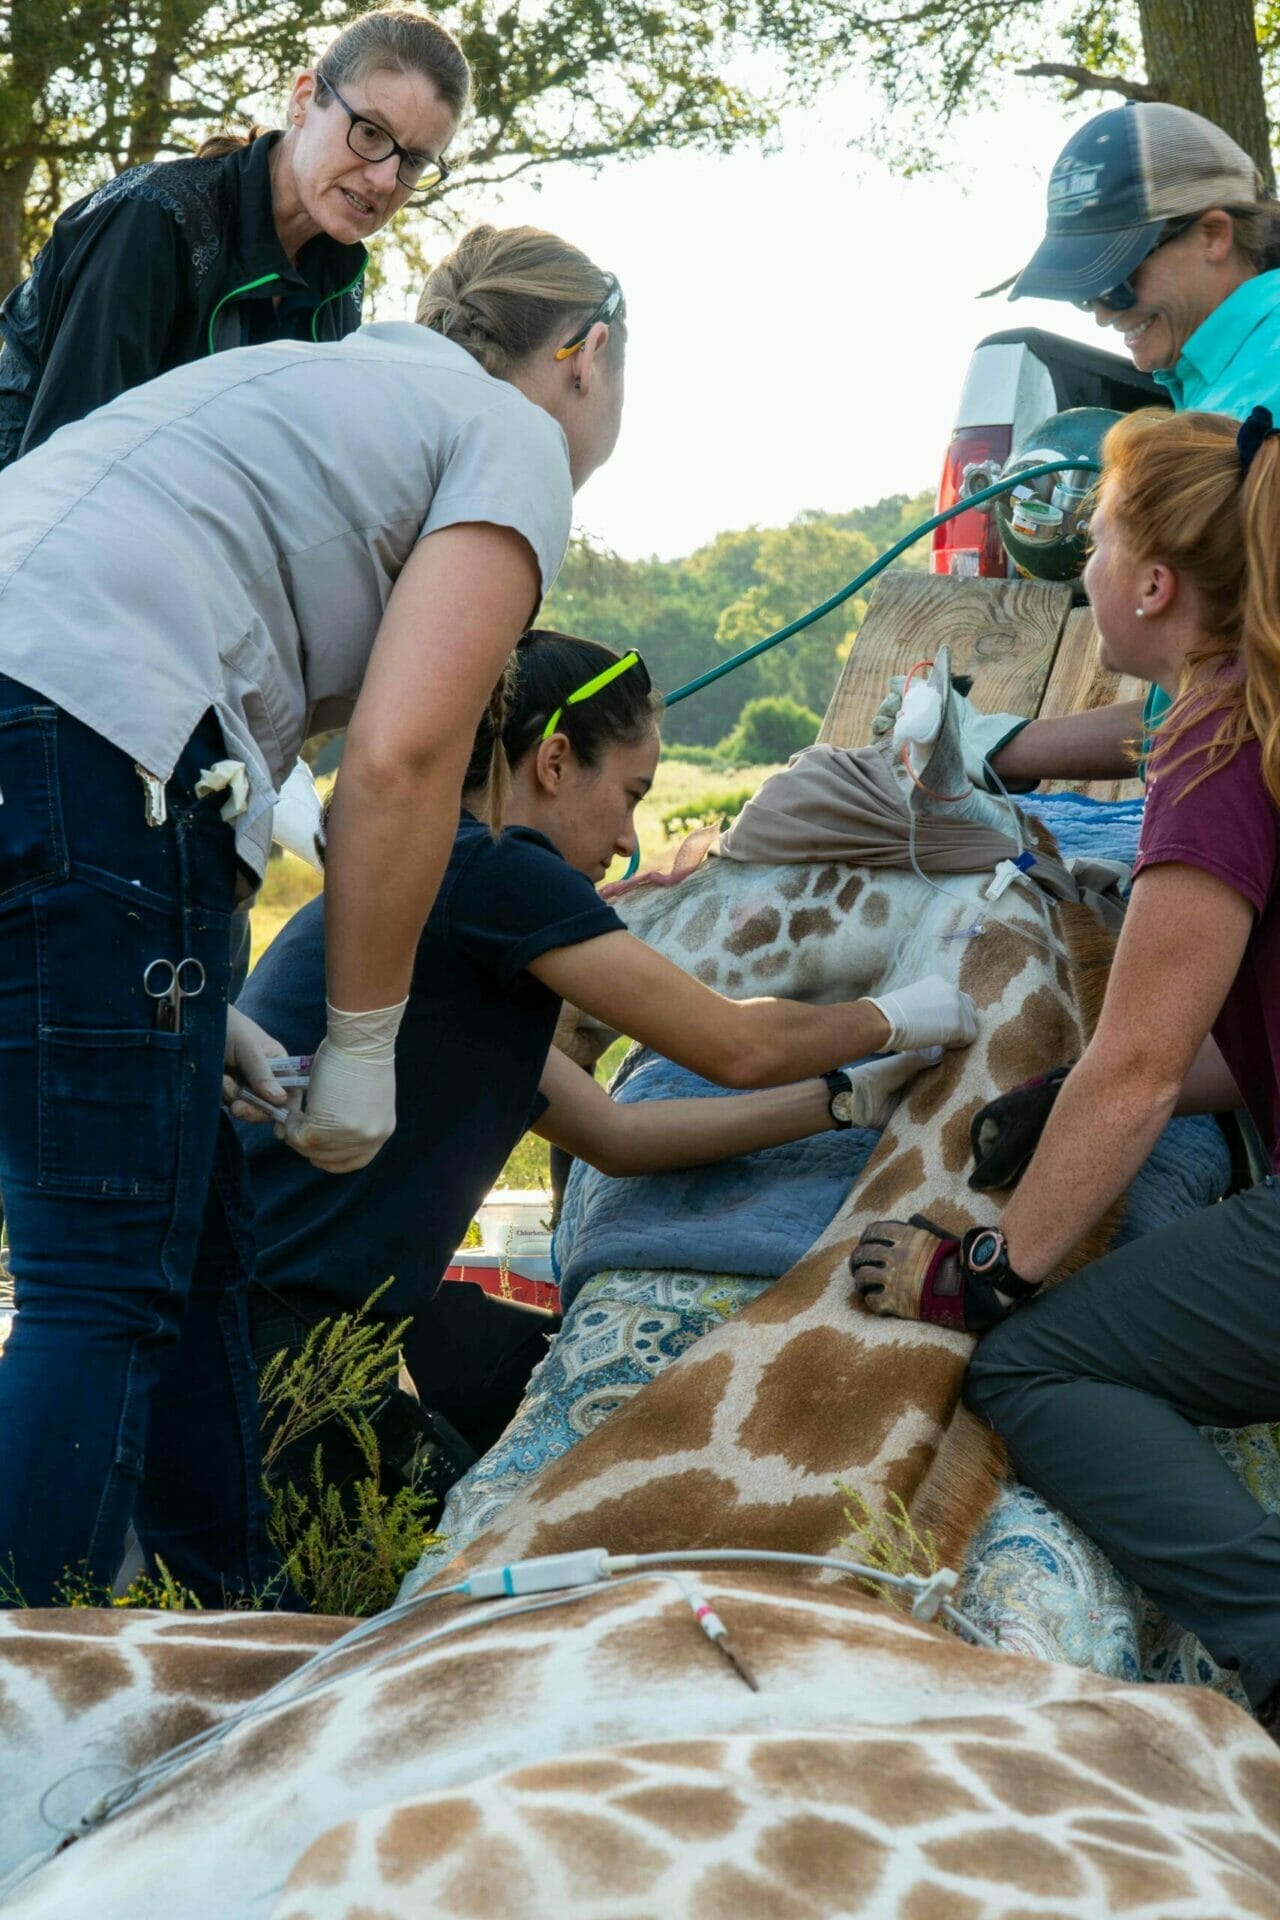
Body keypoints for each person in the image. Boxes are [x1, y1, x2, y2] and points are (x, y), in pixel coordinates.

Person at [0, 223, 632, 1607]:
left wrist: (203, 1007)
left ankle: (225, 1636)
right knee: (103, 1281)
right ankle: (29, 1714)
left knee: (200, 1251)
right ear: (585, 354)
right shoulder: (510, 436)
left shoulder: (309, 385)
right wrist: (360, 1043)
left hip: (57, 732)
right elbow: (402, 766)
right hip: (87, 741)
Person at [231, 629, 980, 1503]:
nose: (628, 839)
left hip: (267, 1316)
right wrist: (894, 1017)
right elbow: (736, 1044)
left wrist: (842, 1103)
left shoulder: (426, 885)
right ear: (553, 760)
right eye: (630, 794)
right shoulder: (496, 870)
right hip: (275, 1344)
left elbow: (615, 1133)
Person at [850, 405, 1280, 1724]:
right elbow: (1220, 1042)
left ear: (1153, 585)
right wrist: (1053, 1101)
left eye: (1094, 539)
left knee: (1034, 1363)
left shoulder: (1214, 741)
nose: (1083, 566)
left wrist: (992, 1266)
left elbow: (1142, 1066)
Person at [0, 6, 469, 467]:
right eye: (369, 132)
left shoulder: (340, 280)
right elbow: (65, 470)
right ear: (304, 98)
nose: (385, 181)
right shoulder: (154, 219)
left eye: (412, 162)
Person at [974, 101, 1280, 791]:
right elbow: (1204, 699)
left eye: (1115, 277)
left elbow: (1247, 705)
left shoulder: (1265, 391)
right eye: (1085, 290)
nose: (1102, 311)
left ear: (1213, 233)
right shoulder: (1208, 383)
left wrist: (991, 749)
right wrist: (991, 746)